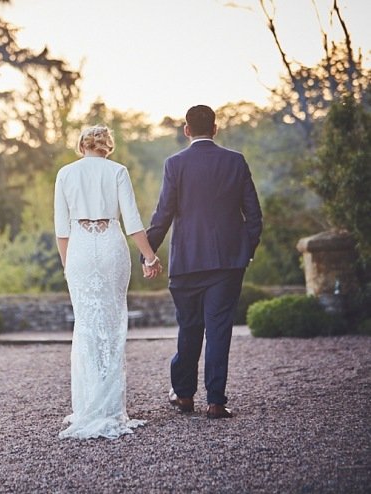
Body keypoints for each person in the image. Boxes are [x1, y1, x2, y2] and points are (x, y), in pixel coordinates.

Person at [144, 105, 262, 419]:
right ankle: (215, 402)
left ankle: (184, 396)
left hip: (186, 262)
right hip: (227, 264)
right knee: (219, 330)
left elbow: (163, 214)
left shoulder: (175, 164)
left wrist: (148, 252)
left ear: (186, 130)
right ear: (215, 128)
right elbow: (254, 215)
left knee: (189, 329)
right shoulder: (235, 161)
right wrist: (244, 251)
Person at [54, 124, 161, 440]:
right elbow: (132, 221)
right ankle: (110, 409)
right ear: (107, 145)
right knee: (113, 324)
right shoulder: (118, 171)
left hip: (80, 249)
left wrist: (67, 267)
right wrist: (150, 257)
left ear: (81, 145)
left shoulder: (65, 173)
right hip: (111, 244)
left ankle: (89, 407)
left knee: (86, 325)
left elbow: (62, 228)